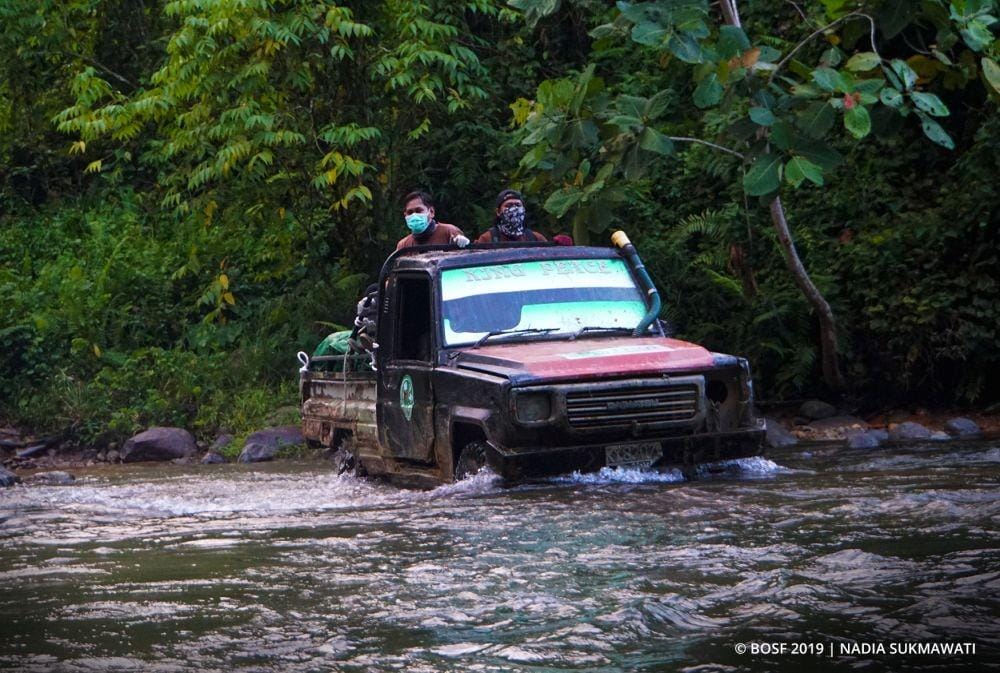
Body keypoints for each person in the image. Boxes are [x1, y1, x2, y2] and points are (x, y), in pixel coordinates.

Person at [395, 191, 469, 250]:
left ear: (431, 212)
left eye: (419, 211)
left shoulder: (449, 232)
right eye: (410, 212)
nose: (414, 215)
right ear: (405, 215)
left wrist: (462, 245)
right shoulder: (403, 245)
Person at [475, 189, 547, 243]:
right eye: (509, 205)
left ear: (524, 210)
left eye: (518, 205)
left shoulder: (536, 238)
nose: (514, 209)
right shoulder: (488, 239)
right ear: (498, 212)